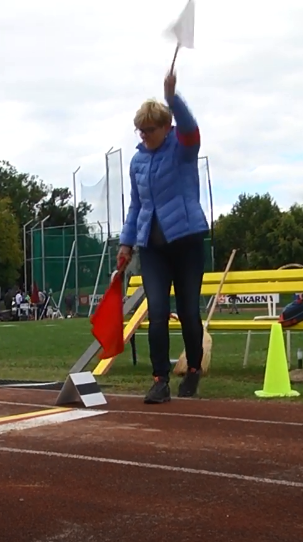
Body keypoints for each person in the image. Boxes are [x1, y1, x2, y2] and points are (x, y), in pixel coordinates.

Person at [118, 69, 208, 404]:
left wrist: (172, 97)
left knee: (187, 310)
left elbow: (190, 129)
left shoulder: (183, 149)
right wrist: (126, 243)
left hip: (186, 242)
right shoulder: (137, 162)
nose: (143, 135)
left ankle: (194, 369)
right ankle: (159, 379)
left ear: (165, 127)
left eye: (149, 129)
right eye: (139, 130)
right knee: (156, 311)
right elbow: (136, 205)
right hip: (151, 248)